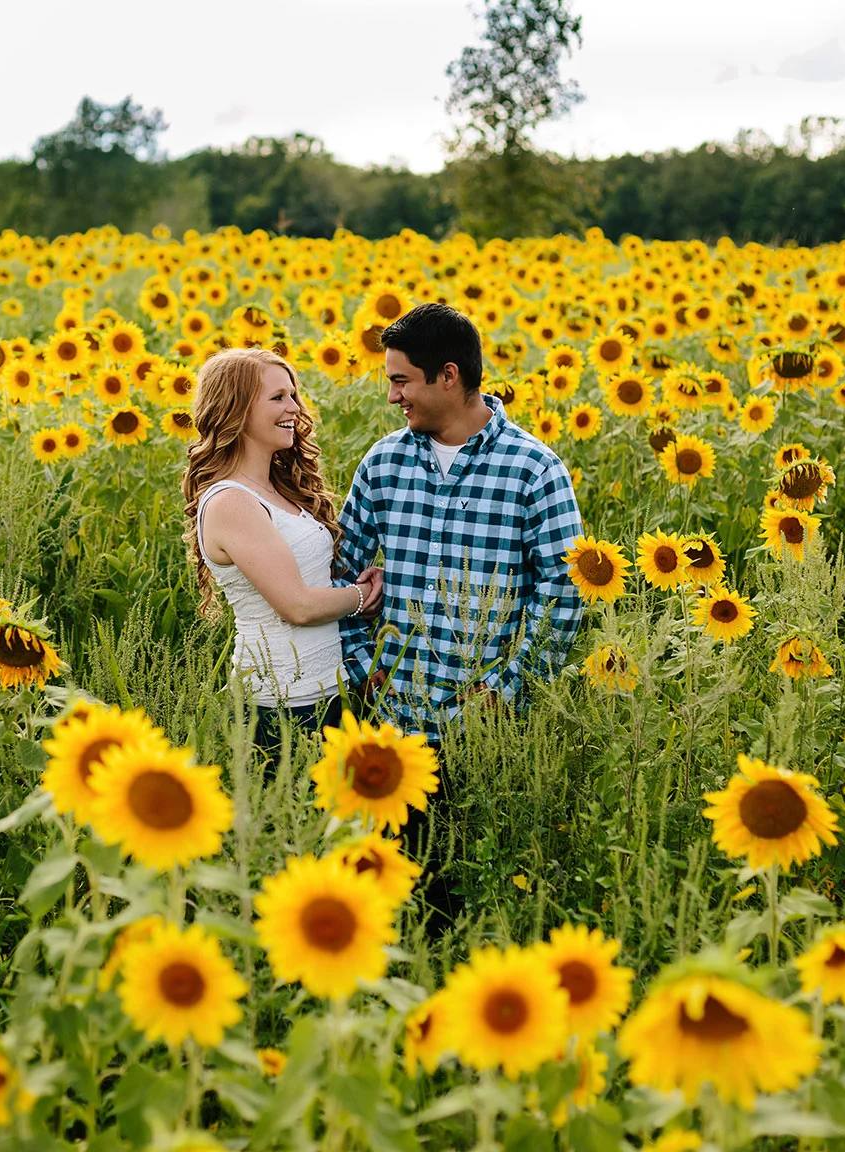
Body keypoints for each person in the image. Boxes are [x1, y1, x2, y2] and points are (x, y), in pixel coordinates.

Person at [336, 302, 585, 928]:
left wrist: (505, 694)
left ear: (448, 376)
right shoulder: (384, 463)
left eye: (401, 380)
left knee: (479, 891)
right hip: (390, 726)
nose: (392, 396)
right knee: (388, 900)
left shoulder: (534, 470)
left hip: (485, 732)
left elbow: (563, 596)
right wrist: (365, 667)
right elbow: (340, 573)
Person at [183, 347, 381, 767]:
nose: (294, 408)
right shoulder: (231, 502)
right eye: (277, 398)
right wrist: (363, 596)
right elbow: (298, 606)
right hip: (277, 707)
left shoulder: (277, 490)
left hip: (325, 693)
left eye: (292, 395)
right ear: (235, 409)